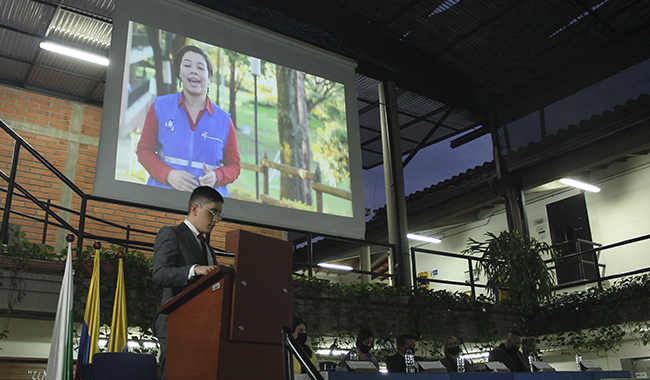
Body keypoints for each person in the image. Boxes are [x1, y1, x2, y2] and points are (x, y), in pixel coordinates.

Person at [137, 45, 240, 196]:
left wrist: (216, 177)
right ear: (179, 73)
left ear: (209, 77)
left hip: (207, 207)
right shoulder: (159, 107)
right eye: (187, 65)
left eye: (200, 67)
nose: (194, 70)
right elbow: (144, 150)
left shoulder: (224, 120)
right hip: (162, 199)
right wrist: (168, 175)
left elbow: (234, 166)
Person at [152, 186, 224, 379]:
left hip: (203, 328)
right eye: (213, 212)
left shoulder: (208, 249)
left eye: (219, 215)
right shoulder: (171, 234)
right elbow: (159, 275)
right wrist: (193, 270)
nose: (216, 220)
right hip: (176, 325)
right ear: (195, 209)